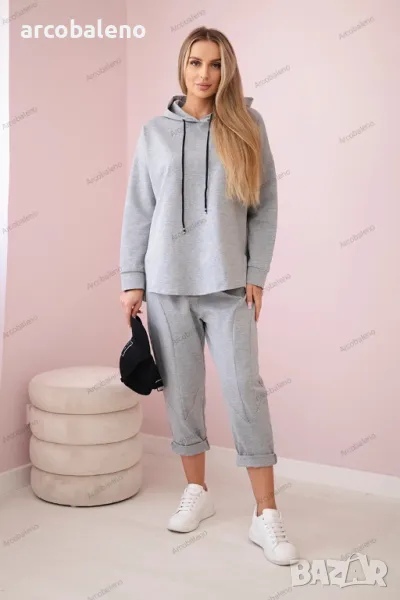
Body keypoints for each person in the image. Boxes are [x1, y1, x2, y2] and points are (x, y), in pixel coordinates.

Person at [119, 26, 299, 566]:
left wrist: (257, 272)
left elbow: (264, 205)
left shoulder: (246, 125)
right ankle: (197, 491)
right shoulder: (154, 133)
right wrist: (132, 279)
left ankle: (266, 513)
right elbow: (138, 209)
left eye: (215, 64)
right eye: (196, 62)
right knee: (183, 395)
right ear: (182, 67)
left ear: (227, 70)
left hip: (227, 285)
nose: (205, 73)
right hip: (166, 285)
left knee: (245, 392)